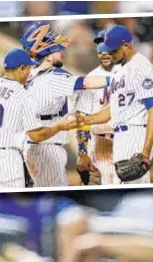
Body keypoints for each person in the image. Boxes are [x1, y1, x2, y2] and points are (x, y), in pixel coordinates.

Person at [0, 48, 77, 189]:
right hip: (6, 160)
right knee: (14, 202)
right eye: (29, 67)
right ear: (21, 68)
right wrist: (59, 126)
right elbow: (37, 135)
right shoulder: (22, 95)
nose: (30, 72)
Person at [19, 21, 109, 187]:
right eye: (57, 49)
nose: (62, 52)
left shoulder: (28, 74)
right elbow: (88, 83)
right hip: (46, 148)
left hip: (31, 146)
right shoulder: (54, 76)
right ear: (46, 54)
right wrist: (119, 79)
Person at [75, 29, 153, 186]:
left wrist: (146, 150)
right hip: (120, 138)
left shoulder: (142, 68)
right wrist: (86, 119)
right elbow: (112, 110)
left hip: (136, 135)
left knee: (134, 190)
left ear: (126, 45)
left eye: (114, 51)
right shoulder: (119, 69)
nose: (110, 55)